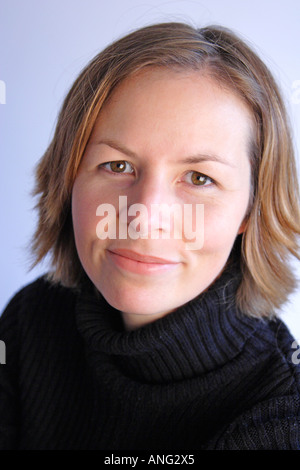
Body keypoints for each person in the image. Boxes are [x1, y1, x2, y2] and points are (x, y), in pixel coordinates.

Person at [0, 21, 300, 451]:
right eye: (118, 166)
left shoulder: (278, 422)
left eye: (199, 178)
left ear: (251, 210)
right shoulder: (30, 322)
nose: (142, 219)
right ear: (69, 178)